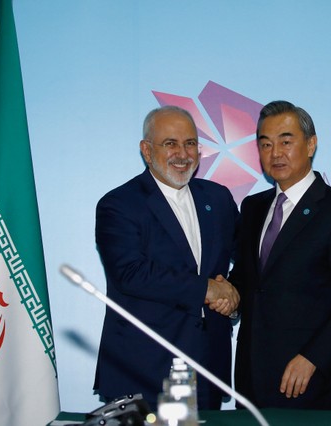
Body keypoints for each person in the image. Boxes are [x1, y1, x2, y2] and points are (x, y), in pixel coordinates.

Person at [230, 100, 331, 409]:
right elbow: (246, 280)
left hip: (314, 385)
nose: (275, 153)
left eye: (286, 141)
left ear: (311, 145)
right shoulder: (253, 208)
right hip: (252, 381)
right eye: (265, 144)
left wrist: (312, 358)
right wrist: (226, 296)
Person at [93, 106, 239, 409]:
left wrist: (233, 293)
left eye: (190, 143)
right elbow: (131, 273)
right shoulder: (119, 204)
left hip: (207, 370)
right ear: (147, 151)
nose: (182, 153)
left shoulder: (218, 199)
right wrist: (207, 289)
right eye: (170, 143)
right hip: (142, 372)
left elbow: (246, 258)